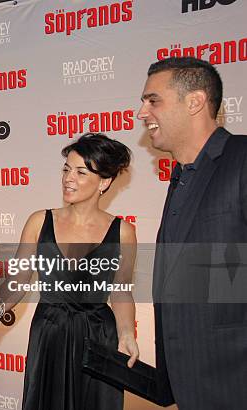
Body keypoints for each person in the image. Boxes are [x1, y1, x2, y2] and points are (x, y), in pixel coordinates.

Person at [0, 133, 138, 410]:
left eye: (81, 172)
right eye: (66, 169)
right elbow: (19, 278)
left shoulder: (123, 232)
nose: (69, 178)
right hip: (50, 333)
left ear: (104, 182)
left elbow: (121, 291)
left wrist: (127, 333)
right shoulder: (39, 221)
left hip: (99, 338)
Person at [137, 56, 247, 409]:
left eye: (153, 100)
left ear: (195, 101)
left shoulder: (242, 159)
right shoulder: (181, 176)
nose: (142, 112)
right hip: (191, 384)